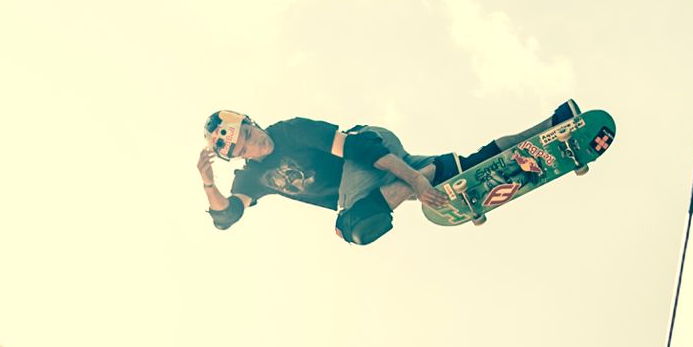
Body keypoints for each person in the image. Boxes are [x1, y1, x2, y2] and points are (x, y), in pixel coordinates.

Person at [195, 101, 580, 245]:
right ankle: (557, 123)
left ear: (250, 121)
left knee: (351, 227)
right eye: (244, 148)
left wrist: (415, 180)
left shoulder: (292, 130)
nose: (254, 145)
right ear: (239, 158)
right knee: (469, 165)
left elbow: (360, 149)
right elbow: (227, 216)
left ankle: (424, 172)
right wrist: (208, 182)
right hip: (379, 180)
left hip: (372, 146)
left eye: (249, 133)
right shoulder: (250, 179)